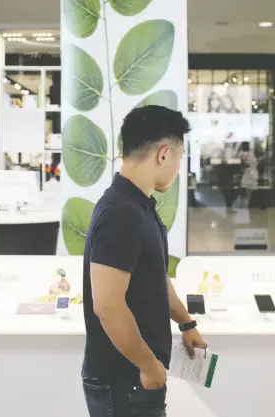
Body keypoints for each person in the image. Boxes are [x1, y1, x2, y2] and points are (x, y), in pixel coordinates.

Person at [82, 105, 207, 417]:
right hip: (124, 381)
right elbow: (107, 305)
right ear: (163, 154)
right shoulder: (121, 213)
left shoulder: (138, 206)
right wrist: (147, 364)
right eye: (179, 158)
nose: (179, 168)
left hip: (133, 379)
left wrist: (186, 321)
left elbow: (156, 279)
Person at [239, 141, 258, 207]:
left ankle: (249, 201)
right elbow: (244, 163)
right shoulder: (243, 153)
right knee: (248, 187)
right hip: (248, 172)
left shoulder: (249, 153)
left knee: (249, 188)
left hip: (251, 171)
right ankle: (248, 201)